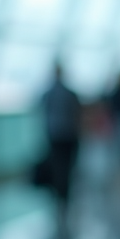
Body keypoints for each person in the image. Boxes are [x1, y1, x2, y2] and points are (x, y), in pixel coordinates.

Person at [41, 63, 83, 210]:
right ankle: (65, 194)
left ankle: (59, 193)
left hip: (55, 135)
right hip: (69, 134)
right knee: (68, 166)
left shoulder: (48, 93)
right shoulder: (70, 93)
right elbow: (77, 113)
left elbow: (43, 111)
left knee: (58, 166)